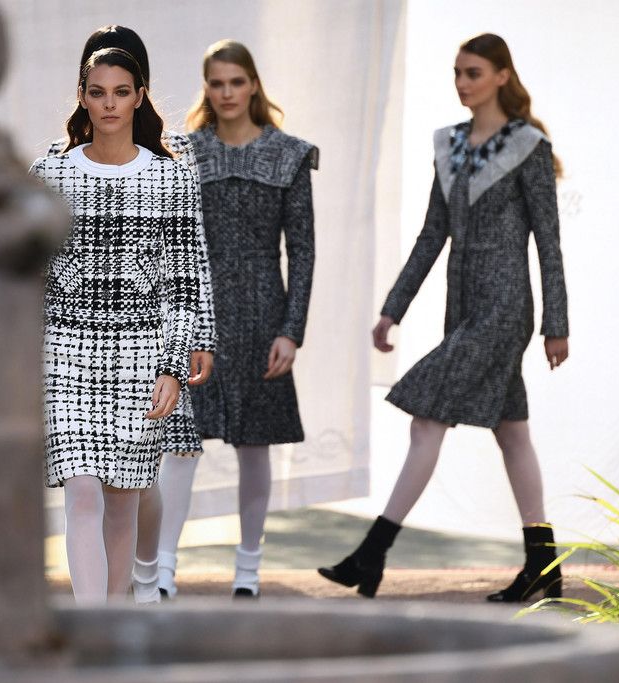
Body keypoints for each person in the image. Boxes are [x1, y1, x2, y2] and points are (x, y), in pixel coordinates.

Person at [318, 33, 569, 602]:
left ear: (502, 75)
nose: (462, 83)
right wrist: (393, 308)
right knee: (512, 433)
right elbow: (433, 234)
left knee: (426, 419)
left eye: (473, 72)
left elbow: (548, 242)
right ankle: (544, 564)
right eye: (457, 72)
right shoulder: (449, 144)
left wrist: (557, 322)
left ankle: (371, 553)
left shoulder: (528, 146)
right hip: (463, 310)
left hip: (504, 310)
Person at [44, 25, 217, 604]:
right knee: (81, 493)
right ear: (82, 96)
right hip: (64, 350)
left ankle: (114, 622)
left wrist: (172, 365)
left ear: (140, 96)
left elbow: (185, 281)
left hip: (141, 352)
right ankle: (93, 627)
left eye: (121, 92)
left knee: (122, 501)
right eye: (97, 92)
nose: (110, 104)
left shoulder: (170, 176)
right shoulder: (50, 174)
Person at [156, 39, 317, 599]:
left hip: (262, 313)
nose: (226, 93)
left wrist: (291, 331)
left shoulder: (289, 155)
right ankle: (162, 570)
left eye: (236, 82)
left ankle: (248, 568)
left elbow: (303, 250)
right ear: (206, 87)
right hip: (196, 314)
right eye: (216, 83)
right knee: (180, 443)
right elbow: (167, 241)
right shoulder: (181, 153)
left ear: (253, 85)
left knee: (255, 445)